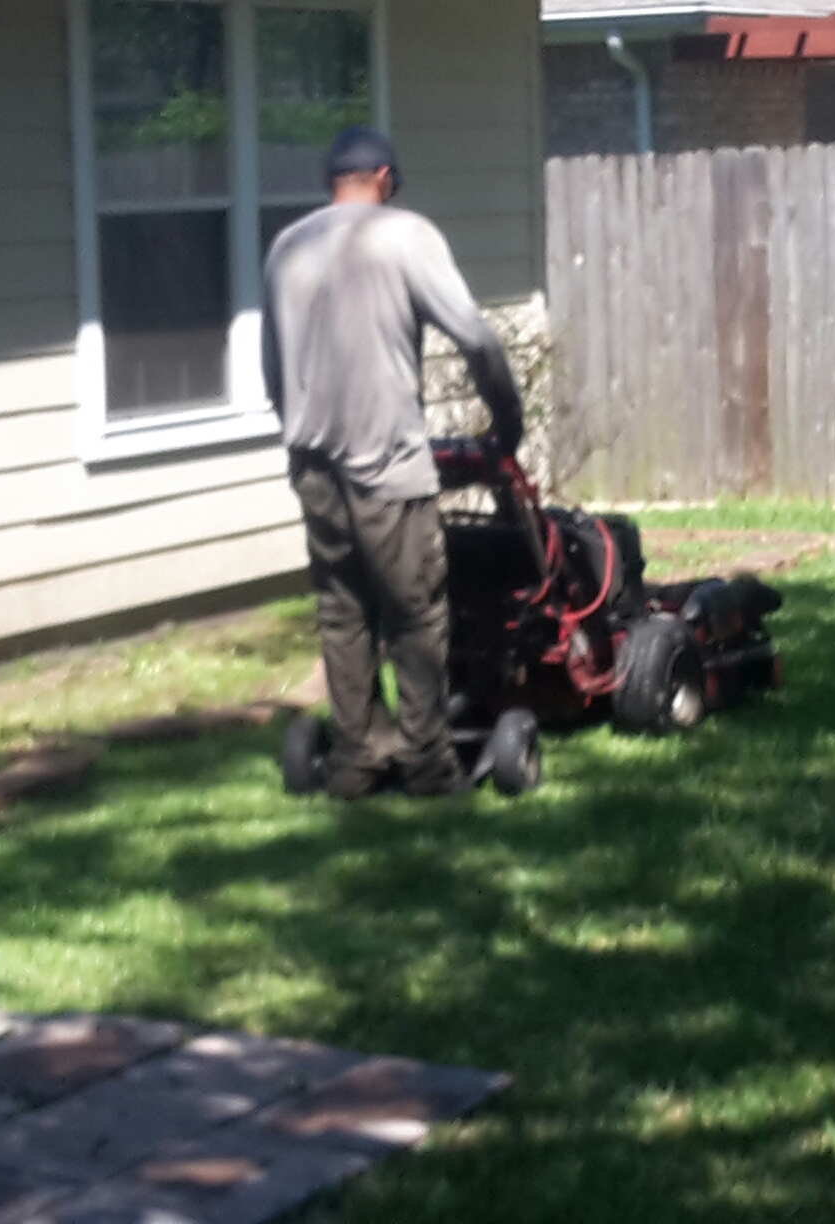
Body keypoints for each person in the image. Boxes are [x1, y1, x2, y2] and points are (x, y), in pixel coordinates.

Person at [262, 126, 524, 798]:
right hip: (386, 463)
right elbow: (476, 338)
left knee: (343, 612)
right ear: (383, 177)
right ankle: (428, 764)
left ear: (332, 182)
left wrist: (300, 429)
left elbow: (273, 370)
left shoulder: (287, 248)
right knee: (416, 613)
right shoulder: (405, 236)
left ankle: (356, 762)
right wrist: (507, 418)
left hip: (312, 464)